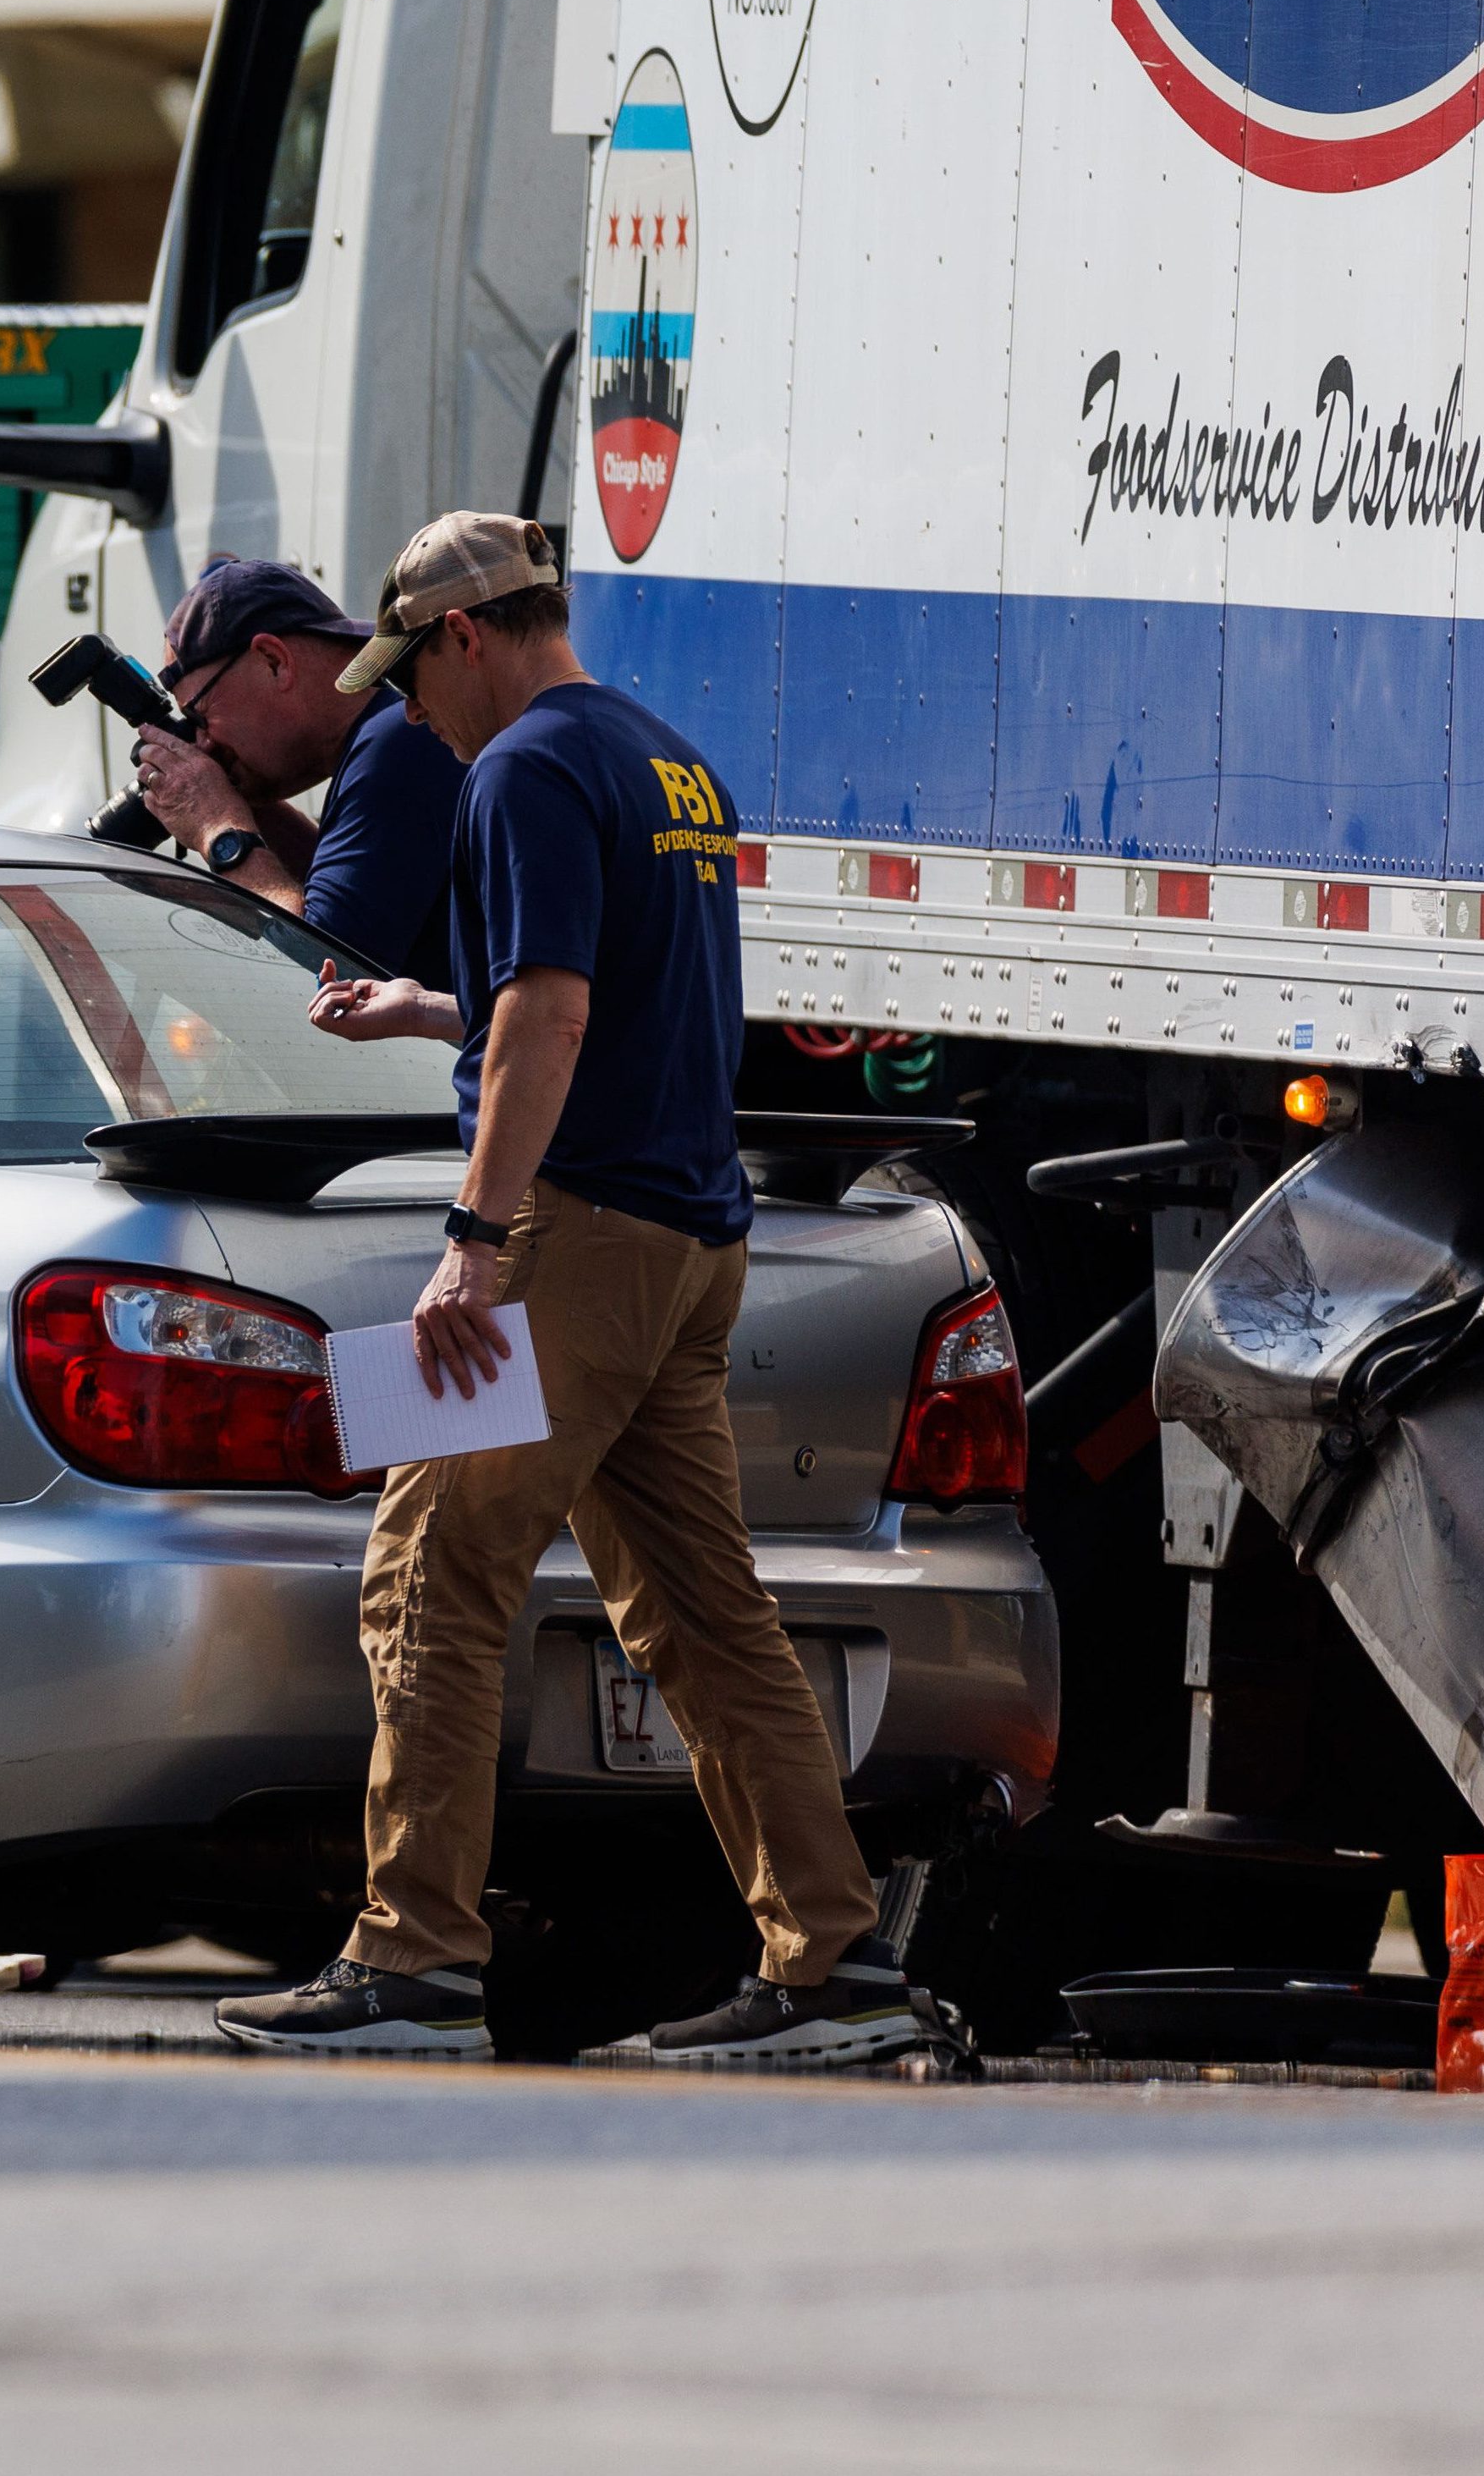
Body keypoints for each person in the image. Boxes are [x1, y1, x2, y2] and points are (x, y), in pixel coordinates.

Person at [212, 514, 923, 2069]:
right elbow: (593, 992)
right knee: (706, 1617)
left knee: (425, 1571)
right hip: (687, 1245)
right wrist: (426, 1012)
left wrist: (474, 1234)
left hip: (564, 1241)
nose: (405, 713)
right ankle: (835, 1970)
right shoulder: (671, 764)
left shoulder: (522, 766)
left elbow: (550, 1012)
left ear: (467, 636)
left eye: (413, 675)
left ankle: (411, 1963)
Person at [123, 558, 468, 988]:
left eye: (200, 714)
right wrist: (234, 803)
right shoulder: (389, 730)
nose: (204, 743)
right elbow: (339, 896)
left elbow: (326, 964)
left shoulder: (398, 741)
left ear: (273, 660)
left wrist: (220, 830)